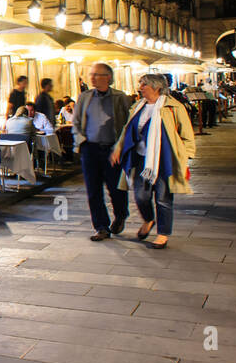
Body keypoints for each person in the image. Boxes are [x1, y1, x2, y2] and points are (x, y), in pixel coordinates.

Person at [113, 73, 195, 249]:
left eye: (144, 84)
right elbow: (127, 131)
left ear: (156, 87)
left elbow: (187, 135)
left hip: (164, 159)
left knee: (163, 198)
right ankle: (149, 219)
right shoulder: (138, 107)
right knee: (141, 196)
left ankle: (162, 234)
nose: (140, 87)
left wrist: (185, 157)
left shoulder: (173, 107)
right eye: (141, 84)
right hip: (141, 159)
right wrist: (118, 148)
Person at [73, 62, 132, 241]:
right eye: (91, 74)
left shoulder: (120, 97)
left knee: (116, 188)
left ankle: (121, 215)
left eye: (97, 74)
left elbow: (128, 123)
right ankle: (101, 227)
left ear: (108, 77)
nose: (92, 77)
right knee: (93, 190)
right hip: (90, 148)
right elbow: (76, 122)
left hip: (112, 150)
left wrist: (121, 146)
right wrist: (81, 142)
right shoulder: (84, 97)